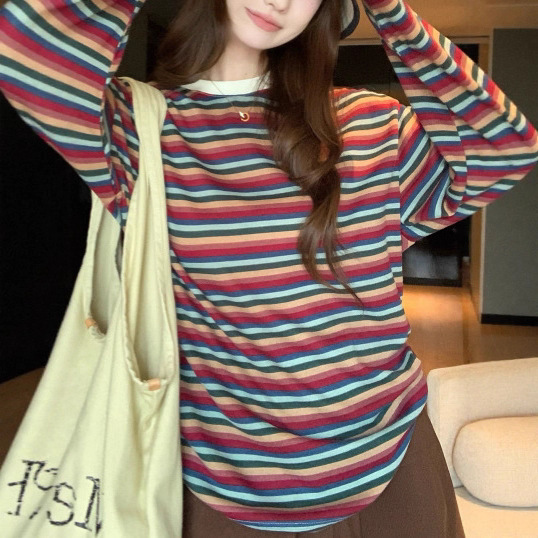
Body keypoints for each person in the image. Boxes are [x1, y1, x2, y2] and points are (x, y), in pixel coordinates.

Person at [1, 0, 537, 536]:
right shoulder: (140, 131)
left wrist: (389, 10)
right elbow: (27, 54)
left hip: (391, 462)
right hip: (224, 485)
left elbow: (507, 148)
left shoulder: (371, 123)